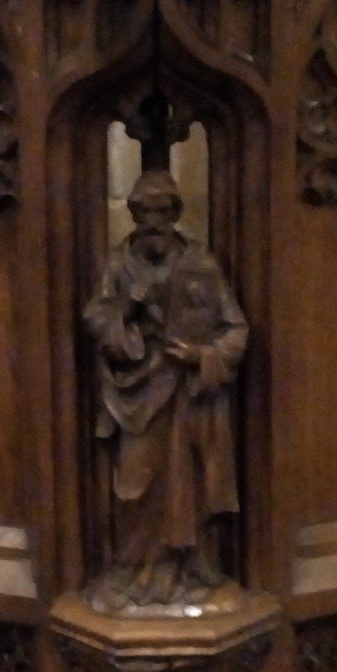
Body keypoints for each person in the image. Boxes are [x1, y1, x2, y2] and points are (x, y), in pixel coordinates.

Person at [83, 169, 248, 612]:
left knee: (189, 482)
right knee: (135, 484)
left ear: (176, 213)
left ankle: (188, 571)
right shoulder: (119, 264)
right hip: (137, 394)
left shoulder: (200, 263)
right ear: (134, 215)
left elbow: (236, 330)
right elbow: (96, 320)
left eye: (162, 211)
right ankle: (133, 570)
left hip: (188, 395)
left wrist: (201, 357)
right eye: (144, 212)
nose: (153, 220)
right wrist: (132, 304)